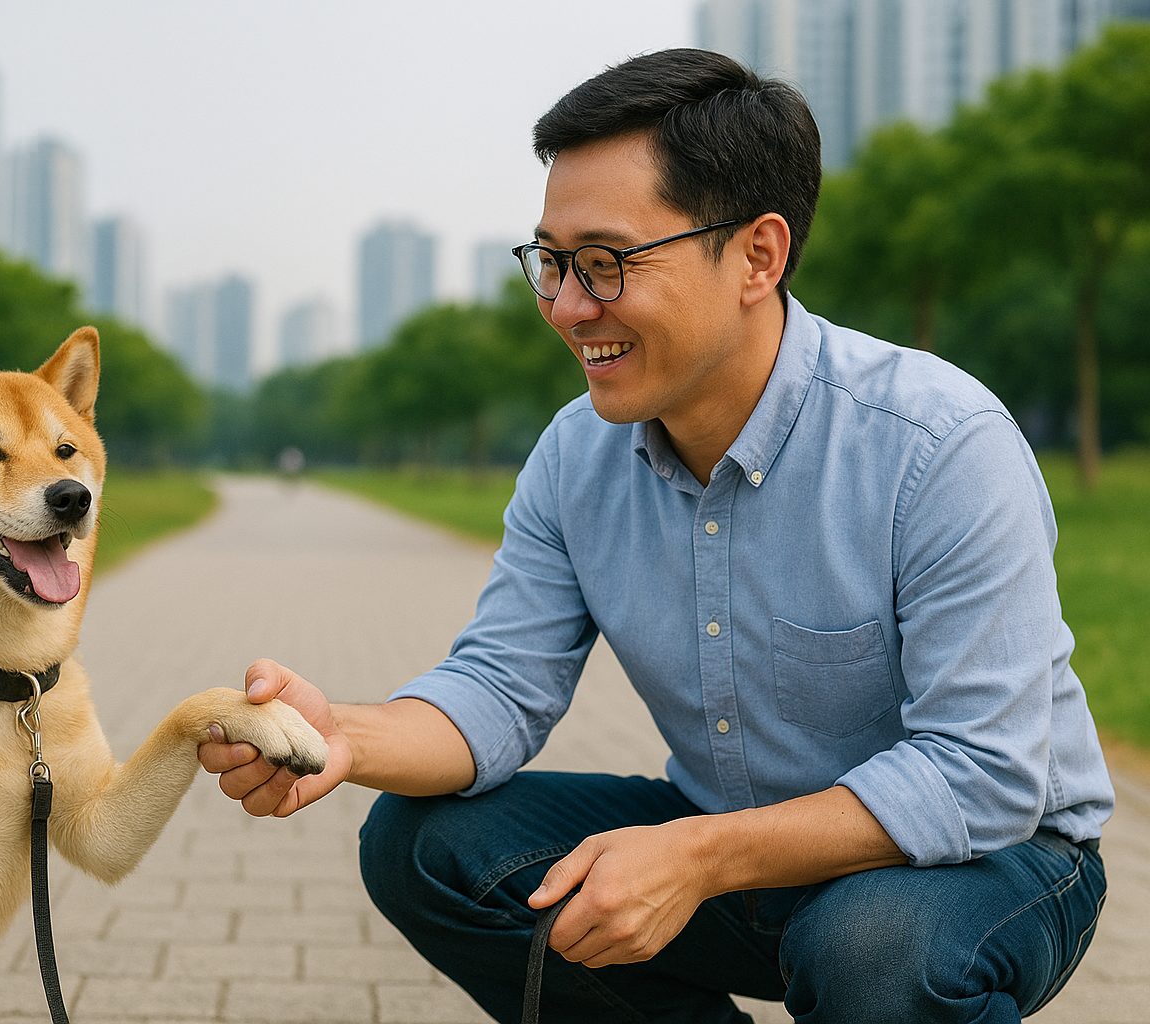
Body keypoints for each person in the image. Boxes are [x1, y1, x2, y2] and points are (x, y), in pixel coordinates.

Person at [198, 48, 1114, 1023]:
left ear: (759, 255)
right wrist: (342, 732)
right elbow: (503, 686)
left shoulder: (937, 444)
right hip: (734, 850)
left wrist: (697, 855)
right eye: (549, 261)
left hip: (995, 861)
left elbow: (985, 771)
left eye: (606, 263)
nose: (564, 307)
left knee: (870, 945)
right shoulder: (574, 454)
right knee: (424, 846)